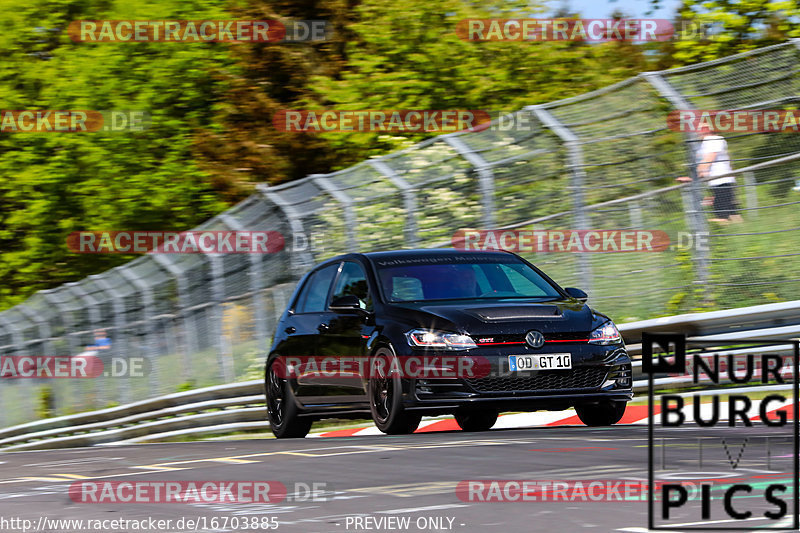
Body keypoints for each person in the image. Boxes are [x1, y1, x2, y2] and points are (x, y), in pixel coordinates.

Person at [677, 123, 742, 223]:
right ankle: (743, 231)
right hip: (718, 182)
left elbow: (708, 160)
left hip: (722, 181)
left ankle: (720, 232)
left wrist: (694, 178)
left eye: (699, 129)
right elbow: (704, 166)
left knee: (723, 217)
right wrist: (693, 178)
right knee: (732, 214)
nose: (697, 131)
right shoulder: (706, 143)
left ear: (706, 129)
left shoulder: (713, 140)